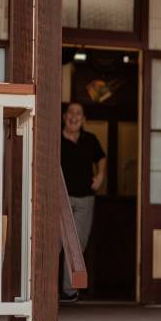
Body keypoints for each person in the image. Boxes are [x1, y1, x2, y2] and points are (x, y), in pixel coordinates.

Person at [60, 102, 106, 302]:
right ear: (64, 117)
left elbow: (101, 158)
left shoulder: (90, 139)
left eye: (79, 113)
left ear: (84, 119)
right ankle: (43, 290)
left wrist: (101, 175)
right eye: (71, 112)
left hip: (85, 199)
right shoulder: (56, 138)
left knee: (78, 244)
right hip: (60, 198)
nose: (74, 116)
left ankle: (69, 292)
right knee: (54, 244)